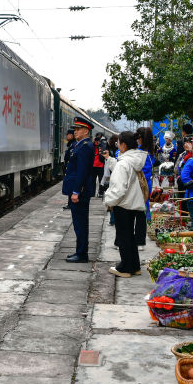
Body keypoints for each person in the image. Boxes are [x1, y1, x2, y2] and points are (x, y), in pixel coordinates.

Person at [104, 131, 148, 277]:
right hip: (133, 203)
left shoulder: (123, 164)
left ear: (123, 145)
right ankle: (135, 265)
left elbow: (118, 188)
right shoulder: (134, 160)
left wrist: (108, 200)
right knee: (130, 235)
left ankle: (125, 267)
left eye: (118, 143)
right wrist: (110, 160)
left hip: (123, 204)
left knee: (124, 236)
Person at [62, 116, 96, 263]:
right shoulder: (80, 145)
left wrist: (76, 191)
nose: (75, 131)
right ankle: (79, 251)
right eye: (75, 129)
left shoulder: (85, 146)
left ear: (86, 131)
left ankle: (82, 254)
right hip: (76, 190)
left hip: (79, 192)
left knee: (80, 223)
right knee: (78, 223)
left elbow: (82, 171)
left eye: (78, 129)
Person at [62, 129, 76, 210]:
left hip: (71, 170)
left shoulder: (73, 145)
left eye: (68, 134)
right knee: (70, 188)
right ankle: (70, 204)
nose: (67, 136)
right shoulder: (71, 145)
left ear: (72, 135)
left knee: (71, 188)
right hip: (69, 169)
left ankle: (70, 204)